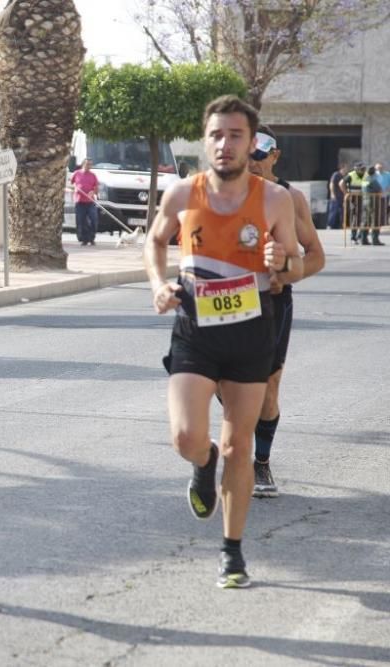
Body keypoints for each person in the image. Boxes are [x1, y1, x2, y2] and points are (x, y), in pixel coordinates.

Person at [143, 95, 302, 589]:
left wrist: (280, 262)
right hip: (195, 328)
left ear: (252, 143)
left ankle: (232, 552)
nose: (225, 144)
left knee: (240, 446)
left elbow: (297, 262)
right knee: (186, 437)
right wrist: (158, 284)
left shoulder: (274, 200)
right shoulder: (181, 194)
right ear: (204, 140)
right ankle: (202, 461)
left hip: (252, 330)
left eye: (235, 135)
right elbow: (153, 241)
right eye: (216, 134)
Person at [246, 125, 326, 497]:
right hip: (225, 297)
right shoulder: (220, 192)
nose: (254, 161)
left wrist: (286, 274)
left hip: (274, 301)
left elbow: (316, 256)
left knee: (269, 386)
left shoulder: (290, 198)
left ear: (275, 155)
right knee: (216, 378)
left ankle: (260, 463)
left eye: (261, 153)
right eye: (248, 152)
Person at [70, 158, 100, 245]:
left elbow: (96, 188)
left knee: (94, 219)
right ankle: (84, 239)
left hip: (90, 202)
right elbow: (70, 184)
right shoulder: (77, 173)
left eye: (90, 165)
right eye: (87, 164)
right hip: (79, 201)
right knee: (81, 221)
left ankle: (91, 238)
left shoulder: (93, 175)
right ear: (83, 164)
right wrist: (75, 188)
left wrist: (93, 192)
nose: (88, 166)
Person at [341, 161, 369, 244]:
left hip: (364, 198)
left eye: (364, 168)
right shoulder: (351, 175)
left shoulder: (366, 174)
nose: (363, 170)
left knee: (365, 218)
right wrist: (347, 194)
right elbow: (341, 184)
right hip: (354, 199)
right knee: (355, 218)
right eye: (361, 168)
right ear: (356, 168)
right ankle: (353, 237)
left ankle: (361, 236)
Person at [363, 166, 385, 245]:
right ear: (374, 172)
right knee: (375, 220)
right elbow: (379, 190)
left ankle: (363, 238)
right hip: (373, 202)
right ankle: (375, 239)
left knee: (366, 220)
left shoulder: (364, 180)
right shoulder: (373, 180)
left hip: (365, 201)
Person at [327, 164, 348, 229]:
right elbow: (331, 184)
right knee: (333, 211)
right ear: (342, 168)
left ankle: (341, 225)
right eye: (346, 168)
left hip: (341, 197)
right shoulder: (336, 174)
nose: (346, 170)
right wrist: (333, 194)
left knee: (341, 212)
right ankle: (330, 225)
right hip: (336, 197)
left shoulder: (344, 176)